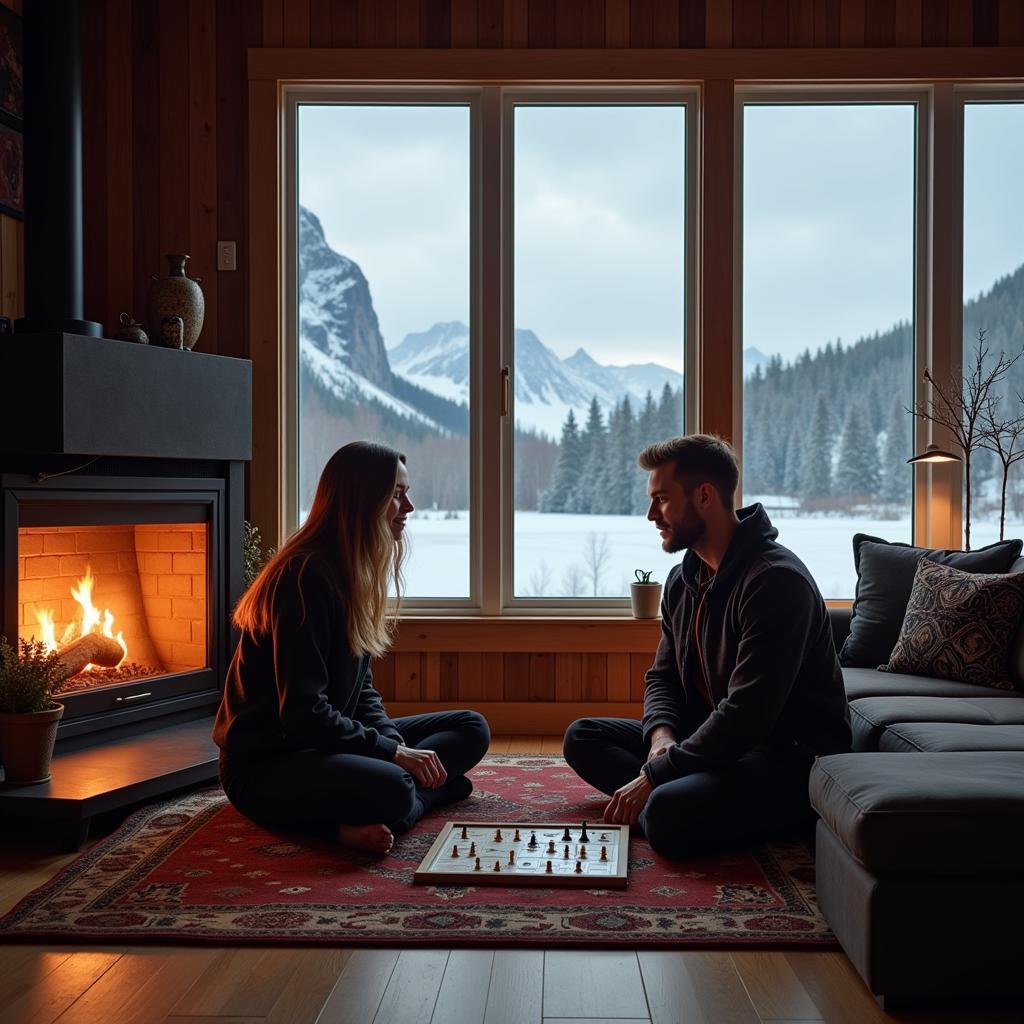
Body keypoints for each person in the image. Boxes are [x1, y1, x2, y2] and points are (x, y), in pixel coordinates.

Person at [563, 434, 851, 859]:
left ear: (703, 496)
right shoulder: (684, 579)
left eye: (661, 499)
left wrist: (654, 775)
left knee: (665, 812)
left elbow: (746, 716)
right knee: (582, 737)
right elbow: (663, 676)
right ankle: (692, 800)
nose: (650, 515)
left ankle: (683, 805)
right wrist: (662, 738)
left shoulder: (775, 582)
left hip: (785, 758)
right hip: (713, 743)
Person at [214, 441, 489, 854]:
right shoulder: (304, 579)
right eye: (397, 494)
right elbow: (303, 714)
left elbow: (361, 692)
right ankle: (371, 817)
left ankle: (412, 796)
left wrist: (396, 746)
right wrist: (394, 757)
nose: (409, 507)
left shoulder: (350, 571)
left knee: (471, 728)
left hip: (326, 743)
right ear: (363, 500)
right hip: (267, 763)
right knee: (395, 787)